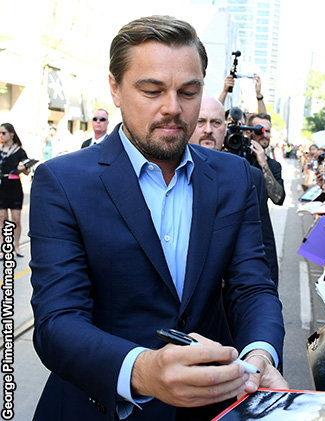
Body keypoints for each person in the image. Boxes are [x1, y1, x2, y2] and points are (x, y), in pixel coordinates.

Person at [29, 15, 286, 420]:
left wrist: (261, 354)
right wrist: (141, 370)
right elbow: (56, 322)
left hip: (216, 405)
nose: (172, 108)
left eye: (189, 92)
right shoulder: (61, 182)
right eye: (152, 90)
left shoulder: (235, 177)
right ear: (115, 88)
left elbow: (253, 287)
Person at [190, 96, 279, 287]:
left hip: (231, 297)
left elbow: (264, 247)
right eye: (200, 122)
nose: (208, 130)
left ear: (225, 129)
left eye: (216, 123)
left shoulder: (250, 177)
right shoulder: (164, 171)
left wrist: (268, 297)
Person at [0, 123, 30, 257]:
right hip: (1, 186)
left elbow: (27, 169)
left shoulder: (19, 151)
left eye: (3, 133)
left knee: (16, 219)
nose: (1, 136)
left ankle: (16, 245)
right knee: (2, 218)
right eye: (0, 133)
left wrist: (24, 169)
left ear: (11, 134)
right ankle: (4, 247)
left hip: (14, 187)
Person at [248, 112, 286, 205]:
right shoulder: (237, 157)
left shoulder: (273, 165)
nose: (264, 135)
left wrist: (263, 163)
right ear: (248, 133)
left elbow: (278, 199)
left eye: (267, 131)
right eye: (259, 130)